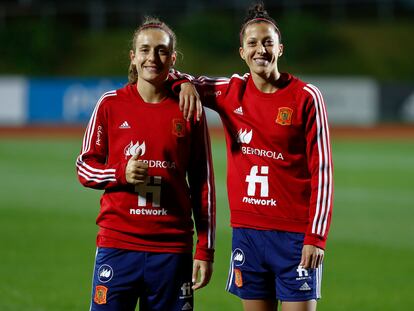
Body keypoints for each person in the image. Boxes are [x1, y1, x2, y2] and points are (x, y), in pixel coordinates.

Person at [176, 3, 333, 310]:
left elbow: (323, 172)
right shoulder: (229, 91)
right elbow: (174, 75)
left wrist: (316, 236)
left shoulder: (306, 97)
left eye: (268, 42)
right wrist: (183, 83)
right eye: (252, 43)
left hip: (294, 237)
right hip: (247, 233)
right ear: (242, 52)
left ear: (280, 49)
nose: (260, 49)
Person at [76, 17, 216, 311]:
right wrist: (120, 172)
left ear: (172, 58)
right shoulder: (110, 104)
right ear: (133, 56)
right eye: (145, 50)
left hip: (172, 249)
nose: (152, 57)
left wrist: (205, 249)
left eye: (161, 51)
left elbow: (204, 186)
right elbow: (84, 168)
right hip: (118, 244)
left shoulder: (190, 110)